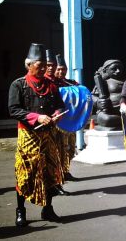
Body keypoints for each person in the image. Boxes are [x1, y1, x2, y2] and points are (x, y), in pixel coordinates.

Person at [8, 43, 66, 226]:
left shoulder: (51, 85)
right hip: (28, 136)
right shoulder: (18, 84)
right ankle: (21, 211)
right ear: (28, 65)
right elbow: (13, 110)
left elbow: (60, 105)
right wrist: (37, 117)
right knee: (25, 173)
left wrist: (57, 114)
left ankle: (48, 209)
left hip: (48, 136)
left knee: (50, 172)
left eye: (44, 66)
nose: (42, 69)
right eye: (38, 66)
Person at [53, 54, 78, 183]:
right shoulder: (51, 85)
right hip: (58, 123)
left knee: (70, 148)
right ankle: (59, 176)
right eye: (58, 69)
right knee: (60, 149)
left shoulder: (72, 83)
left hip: (71, 121)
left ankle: (66, 170)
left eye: (63, 69)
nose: (61, 71)